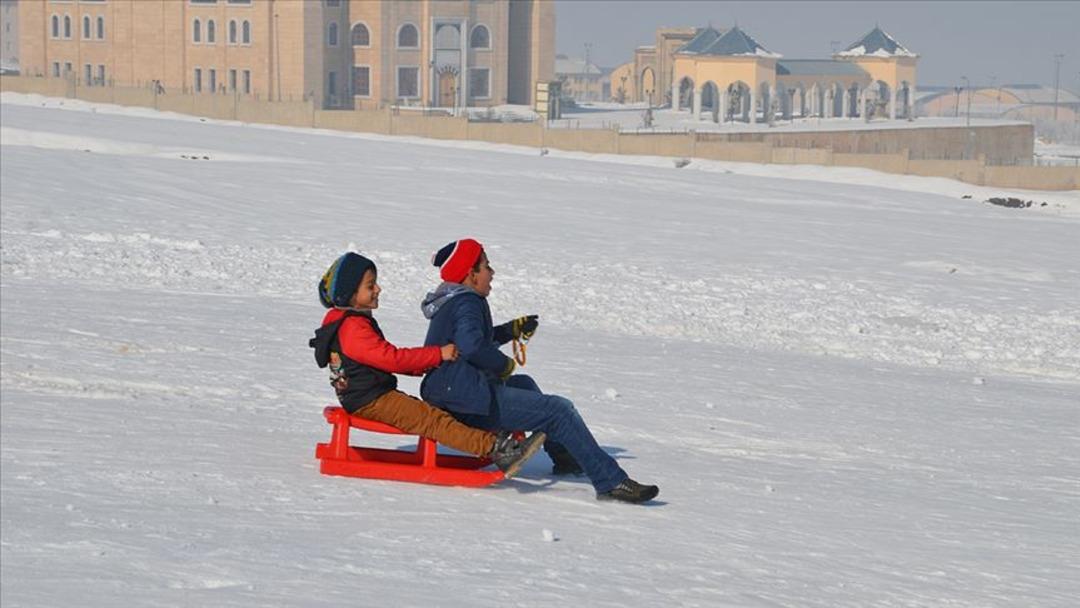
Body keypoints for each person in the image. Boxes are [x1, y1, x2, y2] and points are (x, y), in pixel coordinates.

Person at [419, 239, 660, 504]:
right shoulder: (467, 303)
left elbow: (469, 341)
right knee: (559, 410)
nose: (492, 272)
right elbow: (471, 346)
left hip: (454, 393)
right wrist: (503, 364)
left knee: (524, 384)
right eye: (487, 266)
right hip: (464, 403)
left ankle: (565, 455)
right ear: (470, 274)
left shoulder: (455, 299)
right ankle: (610, 482)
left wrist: (509, 331)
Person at [309, 252, 545, 479]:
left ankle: (494, 443)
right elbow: (391, 358)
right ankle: (496, 449)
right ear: (349, 295)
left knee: (431, 416)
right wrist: (436, 355)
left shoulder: (351, 323)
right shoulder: (353, 328)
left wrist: (426, 363)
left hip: (369, 395)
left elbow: (382, 360)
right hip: (371, 399)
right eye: (370, 286)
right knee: (432, 420)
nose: (378, 289)